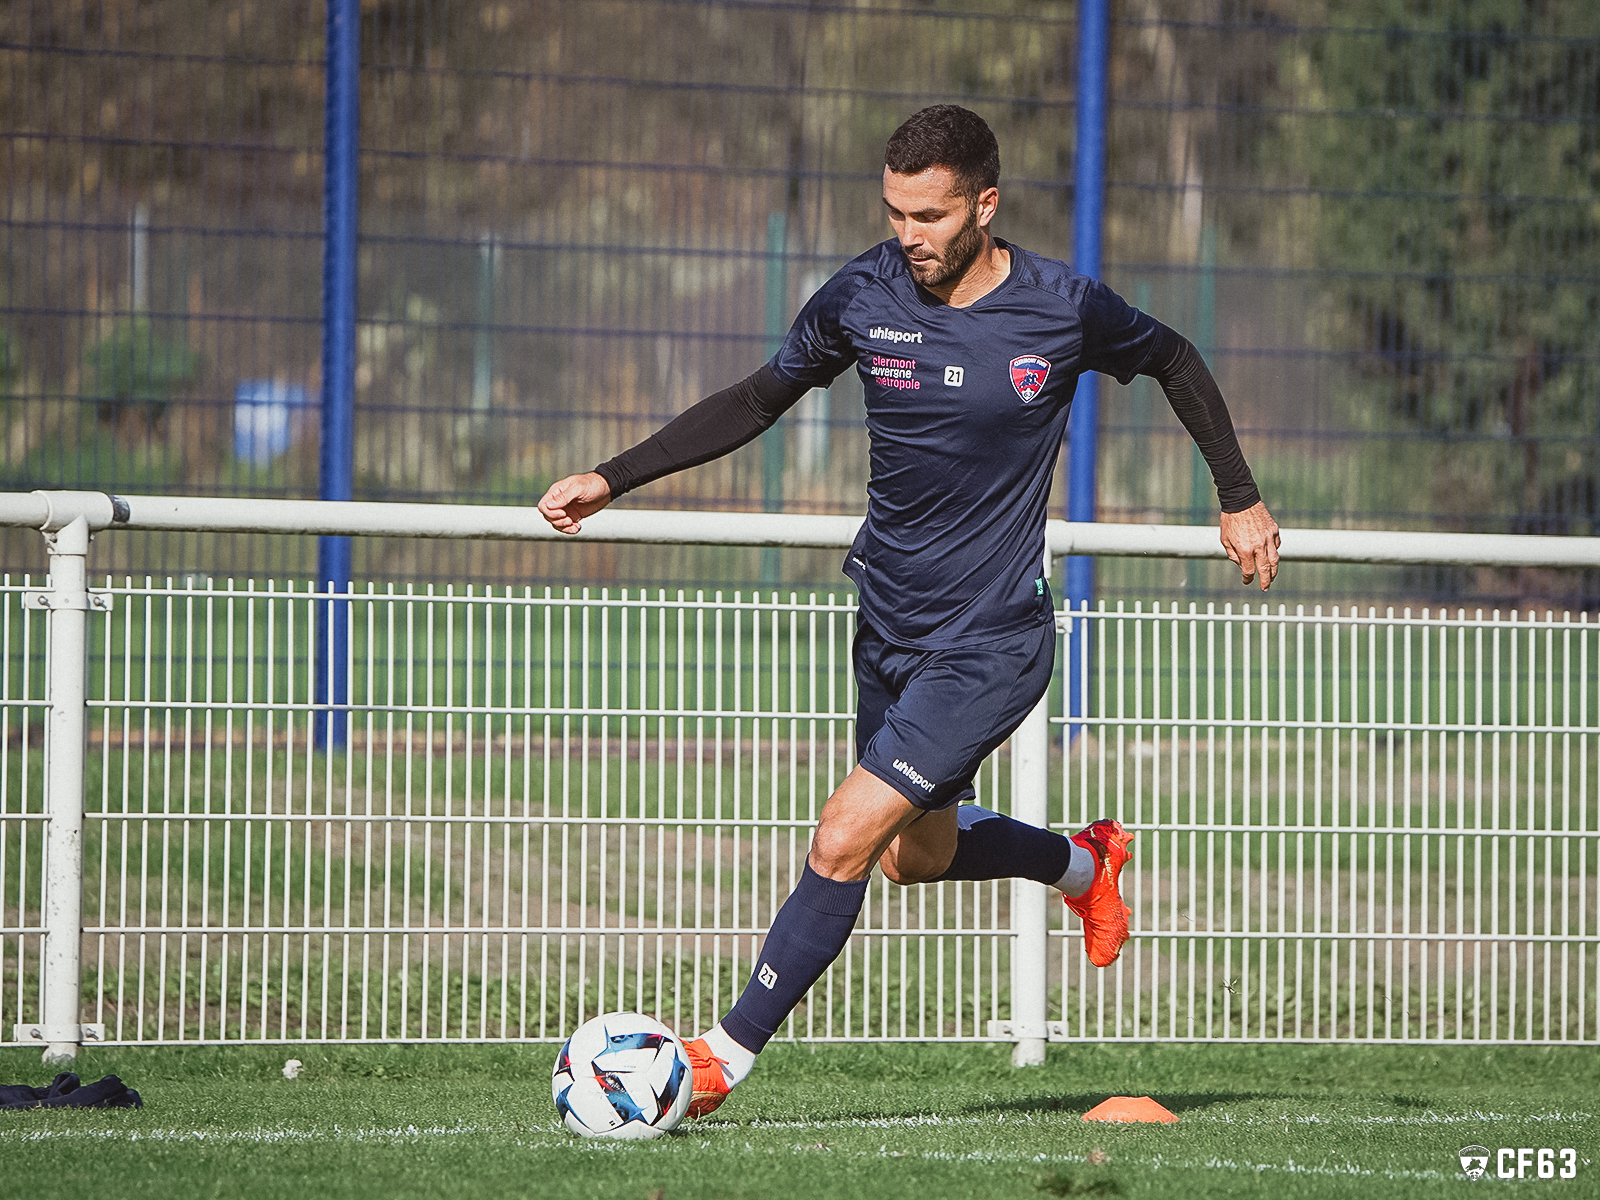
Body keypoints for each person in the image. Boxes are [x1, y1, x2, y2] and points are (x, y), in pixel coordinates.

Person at [538, 105, 1280, 1117]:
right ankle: (1083, 861)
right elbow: (759, 398)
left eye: (928, 215)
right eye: (894, 213)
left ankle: (717, 1061)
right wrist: (613, 477)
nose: (908, 236)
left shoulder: (1061, 309)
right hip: (887, 625)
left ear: (985, 204)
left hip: (990, 640)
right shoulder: (864, 293)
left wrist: (1237, 497)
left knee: (841, 836)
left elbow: (1176, 360)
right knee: (909, 858)